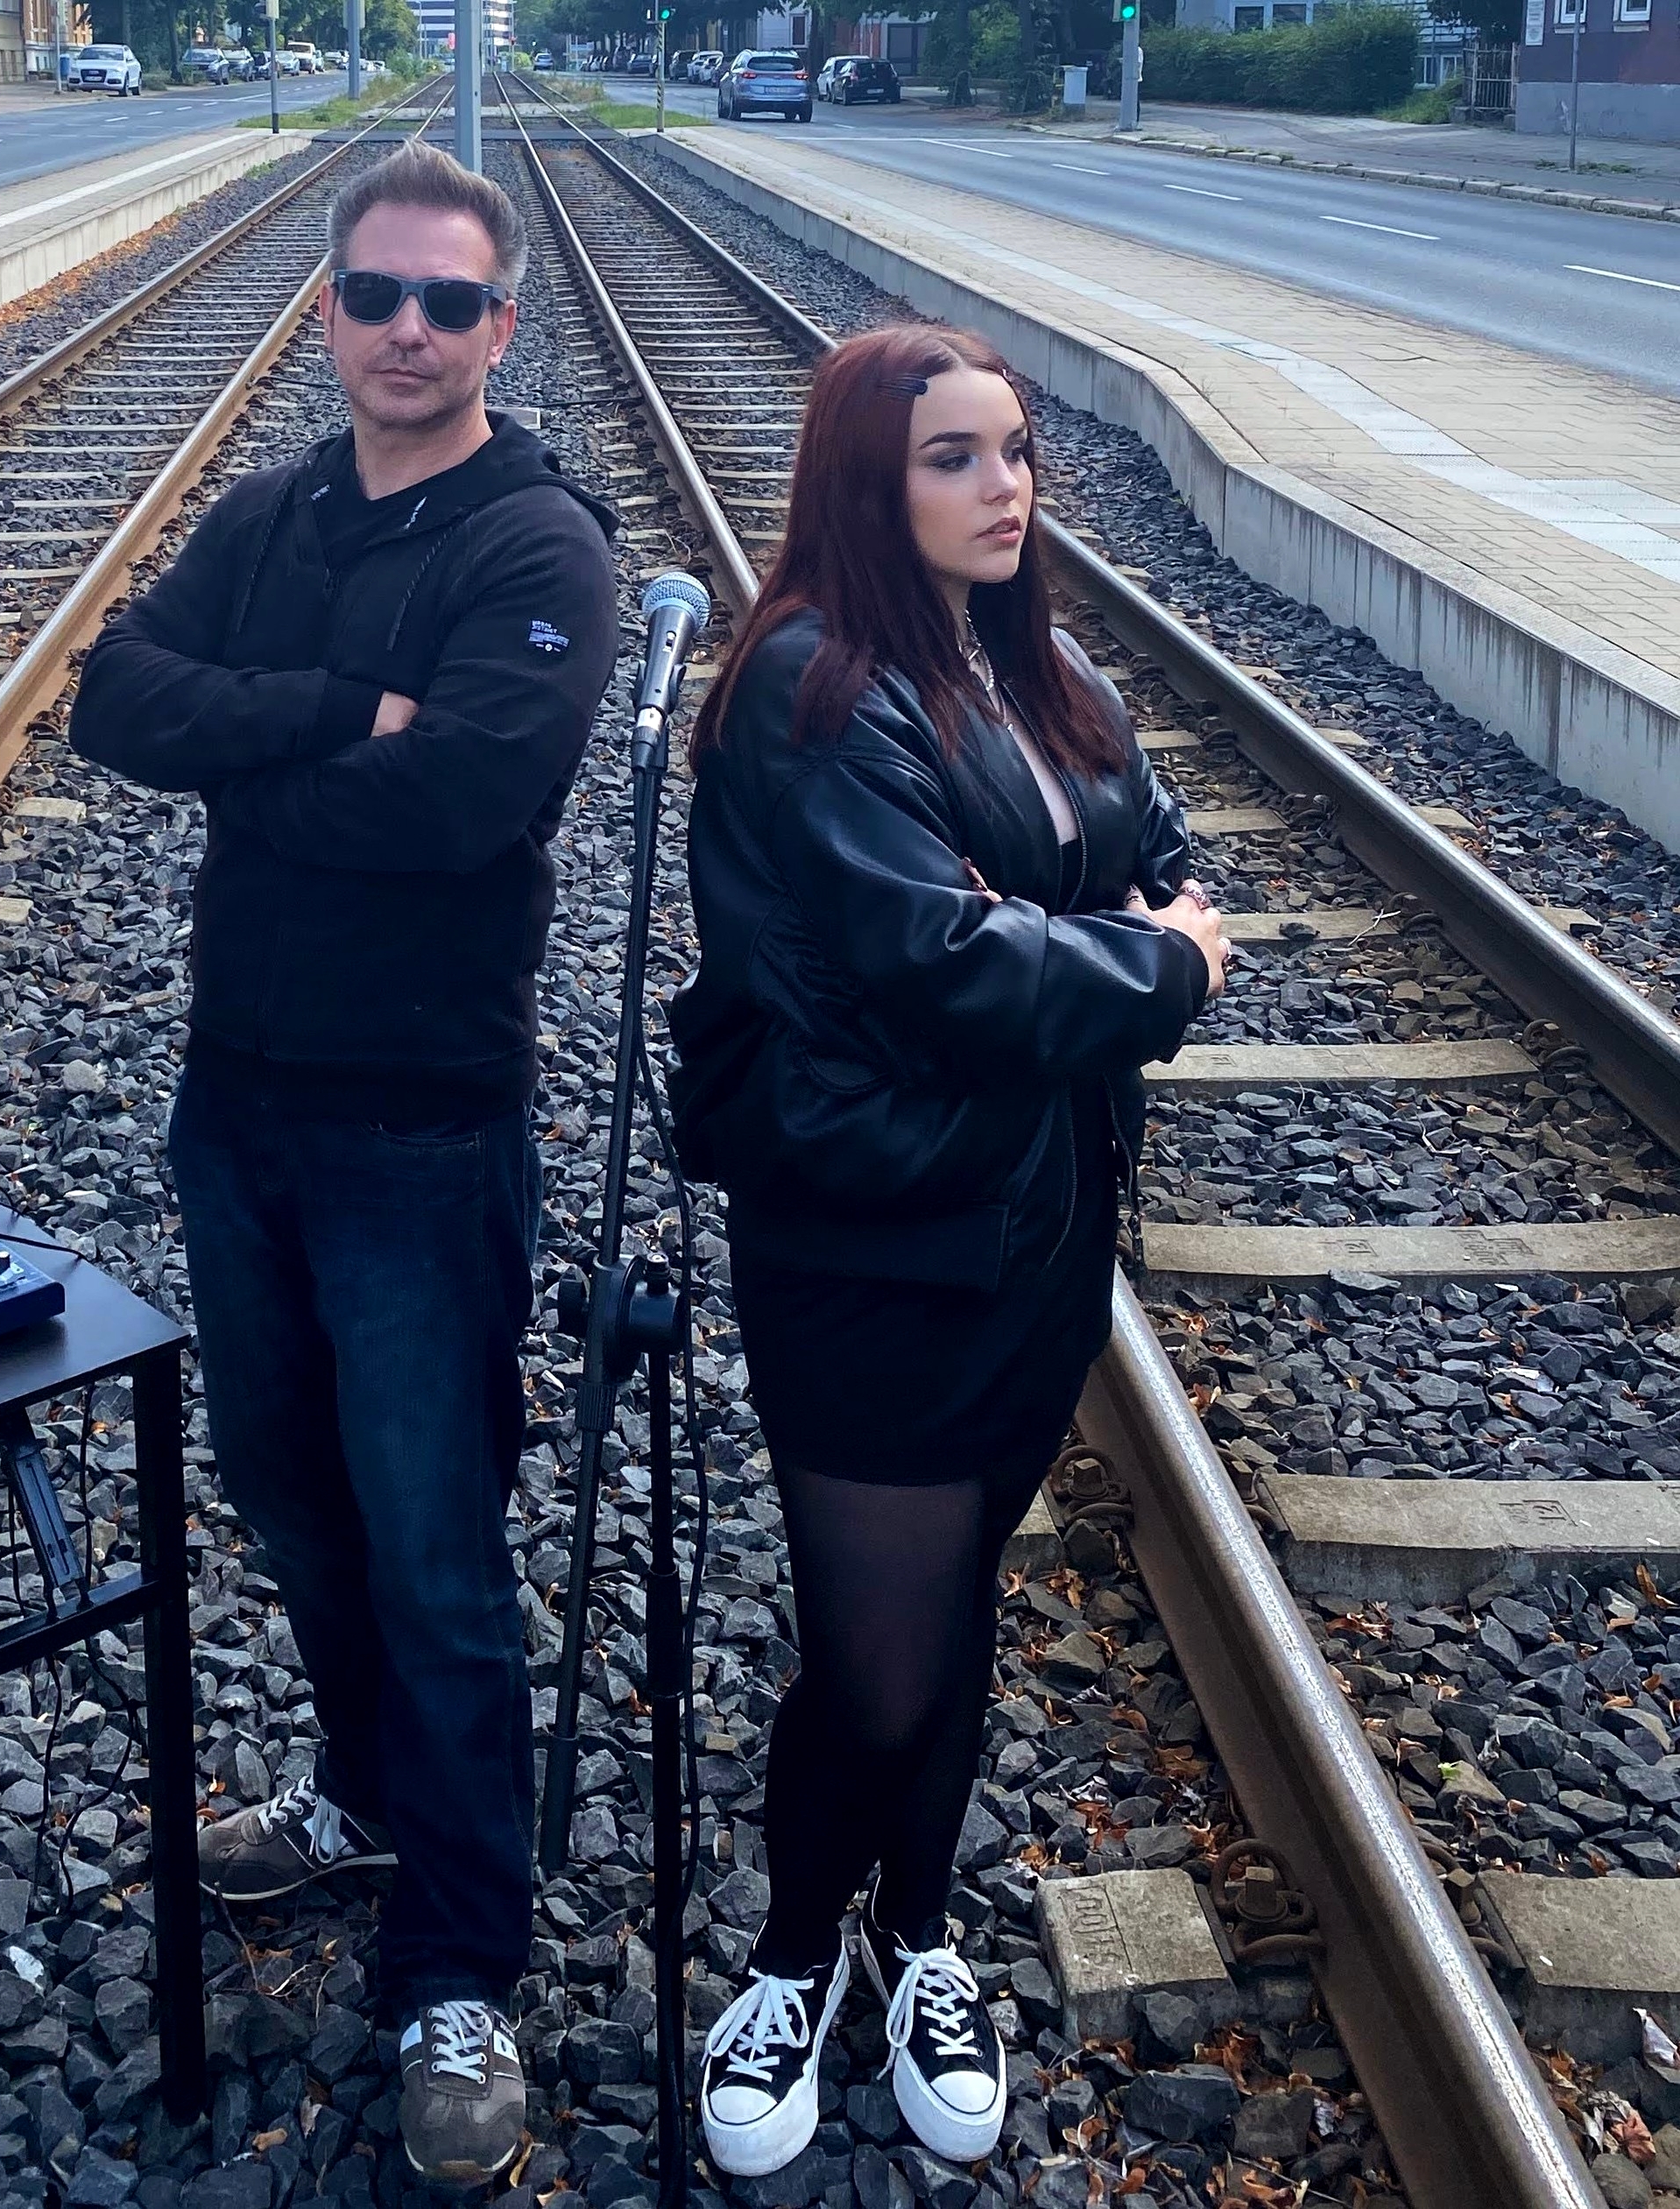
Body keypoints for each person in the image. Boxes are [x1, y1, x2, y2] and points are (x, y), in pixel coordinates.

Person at [68, 141, 619, 2188]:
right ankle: (364, 1792)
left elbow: (465, 802)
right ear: (330, 315)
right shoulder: (282, 508)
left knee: (435, 1551)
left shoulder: (536, 540)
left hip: (419, 1128)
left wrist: (253, 762)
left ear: (500, 326)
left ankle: (461, 1962)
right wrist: (330, 714)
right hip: (241, 1105)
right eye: (377, 296)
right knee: (291, 1496)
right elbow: (115, 697)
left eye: (448, 303)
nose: (409, 330)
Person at [667, 323, 1228, 2180]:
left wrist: (1079, 945)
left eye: (1015, 451)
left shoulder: (1039, 666)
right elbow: (943, 965)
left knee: (954, 1606)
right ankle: (788, 1957)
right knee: (877, 1664)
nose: (1006, 488)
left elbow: (1153, 857)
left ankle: (912, 1936)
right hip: (873, 1247)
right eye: (954, 457)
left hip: (1037, 1232)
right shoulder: (808, 687)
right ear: (865, 478)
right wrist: (1135, 962)